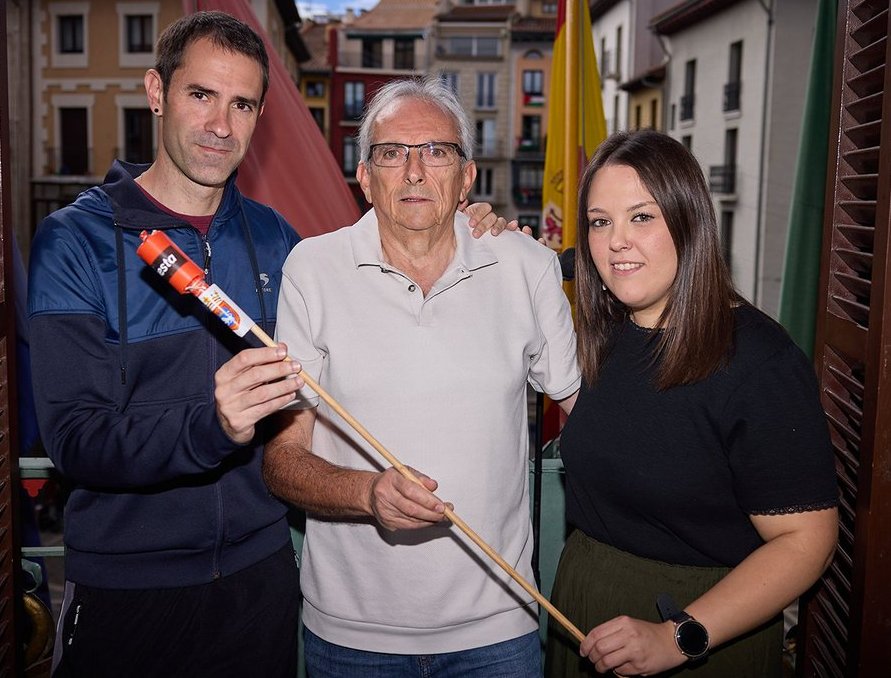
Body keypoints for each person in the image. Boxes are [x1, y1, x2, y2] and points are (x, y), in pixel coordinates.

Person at [262, 76, 581, 677]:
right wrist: (367, 494)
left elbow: (593, 411)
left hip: (499, 629)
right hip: (350, 635)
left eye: (435, 151)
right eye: (391, 153)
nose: (413, 170)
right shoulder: (311, 268)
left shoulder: (526, 266)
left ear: (467, 178)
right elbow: (282, 462)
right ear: (364, 177)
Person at [544, 130, 839, 678]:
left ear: (689, 221)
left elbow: (808, 543)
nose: (615, 243)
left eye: (642, 217)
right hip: (584, 610)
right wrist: (494, 237)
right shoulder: (609, 334)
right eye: (600, 221)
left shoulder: (759, 361)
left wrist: (678, 636)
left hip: (702, 635)